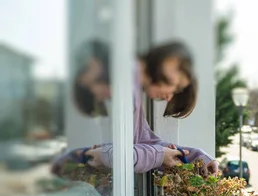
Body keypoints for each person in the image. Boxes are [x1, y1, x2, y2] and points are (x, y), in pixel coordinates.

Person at [52, 39, 218, 175]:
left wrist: (196, 157)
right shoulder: (125, 86)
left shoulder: (133, 92)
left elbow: (143, 142)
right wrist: (159, 156)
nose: (169, 95)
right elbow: (117, 155)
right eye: (174, 85)